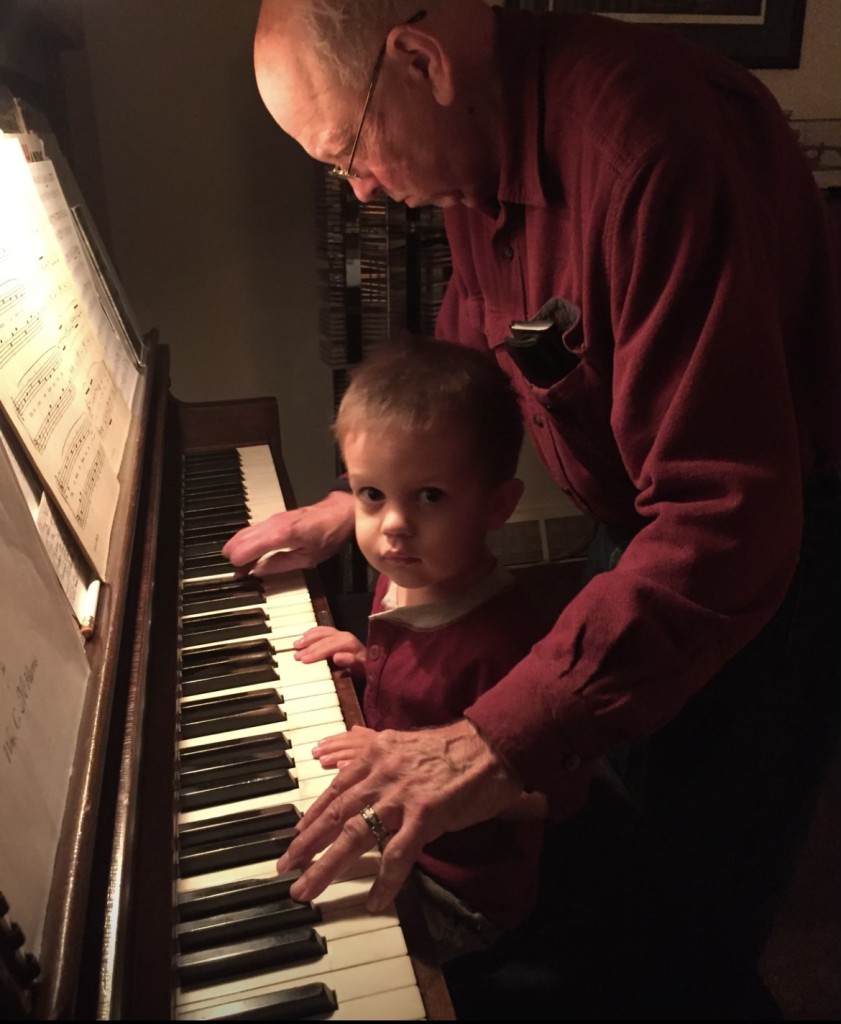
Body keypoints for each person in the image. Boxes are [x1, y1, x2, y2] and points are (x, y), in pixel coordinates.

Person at [223, 0, 841, 1017]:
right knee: (614, 831)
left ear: (419, 60)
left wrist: (486, 739)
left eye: (349, 153)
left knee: (694, 907)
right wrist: (354, 500)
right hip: (652, 518)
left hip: (781, 538)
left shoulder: (643, 142)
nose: (365, 190)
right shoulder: (475, 150)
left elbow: (724, 516)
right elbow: (476, 356)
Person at [289, 337, 590, 964]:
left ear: (497, 506)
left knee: (319, 941)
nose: (392, 524)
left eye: (428, 496)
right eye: (372, 495)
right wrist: (365, 655)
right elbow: (423, 683)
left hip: (464, 891)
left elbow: (559, 794)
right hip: (395, 830)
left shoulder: (510, 641)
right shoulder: (402, 576)